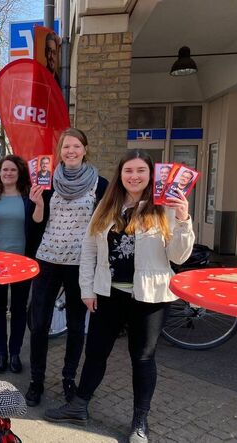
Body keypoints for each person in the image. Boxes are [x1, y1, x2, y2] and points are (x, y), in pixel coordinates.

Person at [44, 149, 194, 443]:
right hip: (109, 293)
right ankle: (79, 405)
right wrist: (87, 289)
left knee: (142, 357)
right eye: (128, 171)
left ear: (150, 175)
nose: (134, 176)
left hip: (149, 297)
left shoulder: (165, 208)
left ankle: (140, 421)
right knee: (96, 352)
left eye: (140, 171)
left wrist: (184, 219)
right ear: (120, 175)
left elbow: (179, 256)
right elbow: (88, 250)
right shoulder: (107, 205)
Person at [25, 128, 108, 407]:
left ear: (85, 149)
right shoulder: (46, 182)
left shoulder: (101, 184)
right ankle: (36, 381)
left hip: (80, 264)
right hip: (48, 259)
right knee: (39, 325)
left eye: (75, 146)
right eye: (65, 147)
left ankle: (68, 379)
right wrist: (36, 203)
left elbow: (106, 226)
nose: (70, 151)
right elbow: (37, 222)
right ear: (59, 152)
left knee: (75, 326)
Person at [0, 155, 35, 374]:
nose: (8, 174)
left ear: (20, 173)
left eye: (13, 170)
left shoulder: (28, 197)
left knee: (19, 309)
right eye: (4, 170)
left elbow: (36, 226)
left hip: (22, 262)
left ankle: (15, 352)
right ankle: (1, 353)